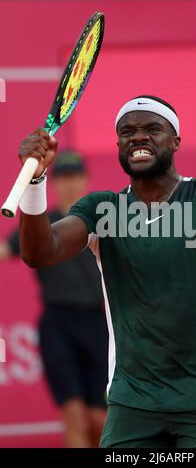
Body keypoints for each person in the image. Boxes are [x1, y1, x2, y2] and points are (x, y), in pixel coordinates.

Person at [16, 95, 196, 448]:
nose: (138, 137)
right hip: (133, 407)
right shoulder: (102, 210)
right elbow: (39, 252)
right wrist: (35, 182)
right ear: (118, 145)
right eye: (127, 131)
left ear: (175, 141)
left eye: (152, 129)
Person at [0, 151, 108, 448]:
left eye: (75, 176)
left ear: (85, 179)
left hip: (99, 325)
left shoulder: (104, 222)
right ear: (54, 182)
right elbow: (7, 250)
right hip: (58, 324)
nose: (70, 183)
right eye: (63, 177)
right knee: (73, 415)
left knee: (100, 419)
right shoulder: (41, 224)